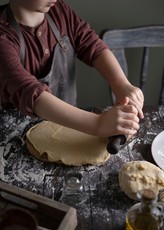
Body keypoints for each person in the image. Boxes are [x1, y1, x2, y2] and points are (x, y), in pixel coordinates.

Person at [0, 0, 144, 138]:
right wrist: (98, 124)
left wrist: (120, 84)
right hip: (19, 133)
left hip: (74, 125)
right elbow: (29, 92)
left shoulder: (59, 11)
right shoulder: (4, 36)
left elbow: (91, 44)